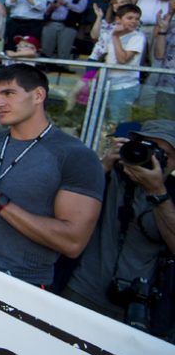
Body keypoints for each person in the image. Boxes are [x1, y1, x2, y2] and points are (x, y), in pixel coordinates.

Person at [0, 65, 104, 287]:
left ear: (38, 95)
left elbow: (72, 242)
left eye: (9, 93)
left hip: (20, 284)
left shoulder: (76, 156)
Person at [63, 121, 175, 338]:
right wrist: (104, 165)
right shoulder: (108, 173)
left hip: (137, 309)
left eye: (165, 154)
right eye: (149, 147)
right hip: (80, 290)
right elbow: (67, 208)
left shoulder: (171, 195)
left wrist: (157, 192)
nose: (154, 157)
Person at [88, 4, 145, 125]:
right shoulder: (109, 34)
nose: (134, 21)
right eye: (130, 18)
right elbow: (103, 59)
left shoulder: (138, 37)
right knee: (102, 122)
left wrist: (115, 37)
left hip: (125, 86)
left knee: (117, 122)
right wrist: (89, 79)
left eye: (137, 18)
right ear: (118, 19)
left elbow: (122, 60)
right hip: (107, 84)